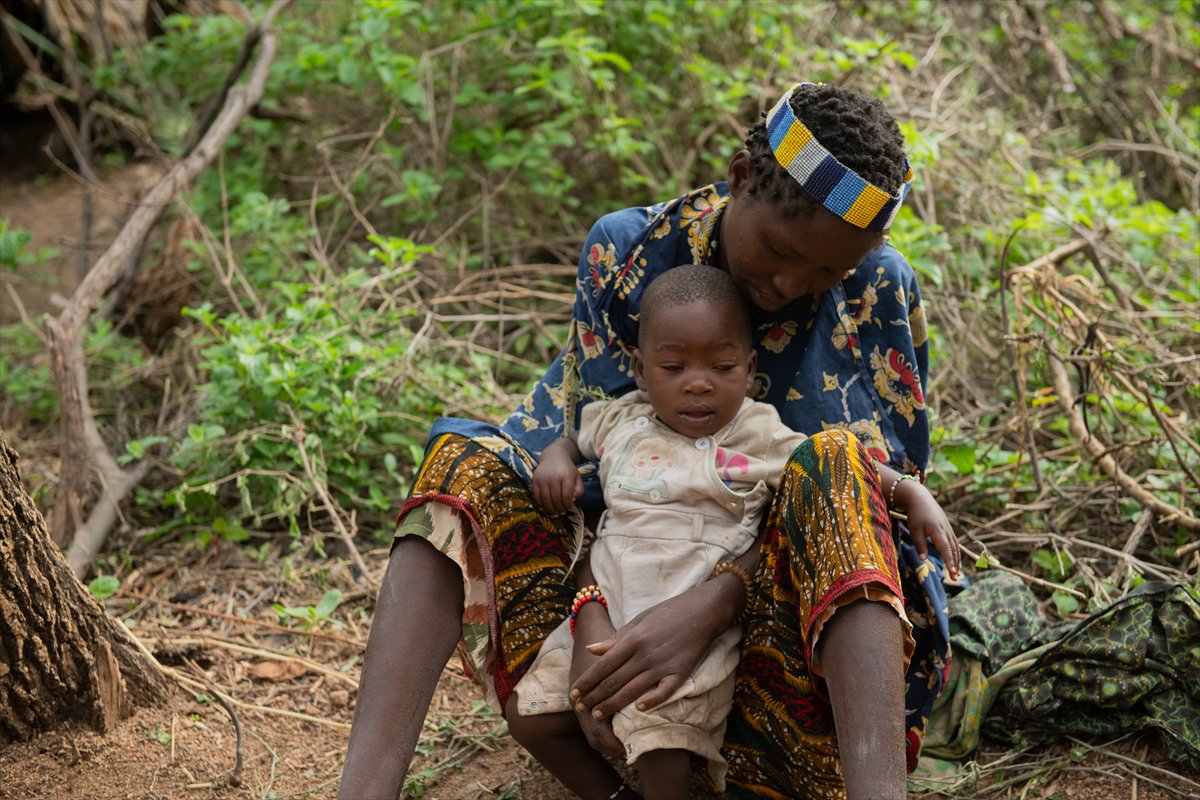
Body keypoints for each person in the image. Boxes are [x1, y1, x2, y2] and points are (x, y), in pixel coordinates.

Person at [339, 81, 963, 800]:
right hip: (617, 635)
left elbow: (869, 518)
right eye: (778, 249)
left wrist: (714, 604)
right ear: (739, 178)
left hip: (788, 674)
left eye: (829, 272)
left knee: (836, 460)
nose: (794, 283)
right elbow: (602, 475)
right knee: (460, 466)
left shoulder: (880, 289)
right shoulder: (629, 253)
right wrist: (593, 618)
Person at [508, 264, 810, 798]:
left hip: (688, 620)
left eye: (722, 366)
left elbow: (824, 467)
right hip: (604, 606)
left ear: (749, 367)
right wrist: (555, 459)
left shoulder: (758, 433)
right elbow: (571, 442)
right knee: (530, 718)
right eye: (673, 367)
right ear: (641, 371)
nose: (698, 383)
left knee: (660, 740)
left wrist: (906, 491)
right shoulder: (620, 420)